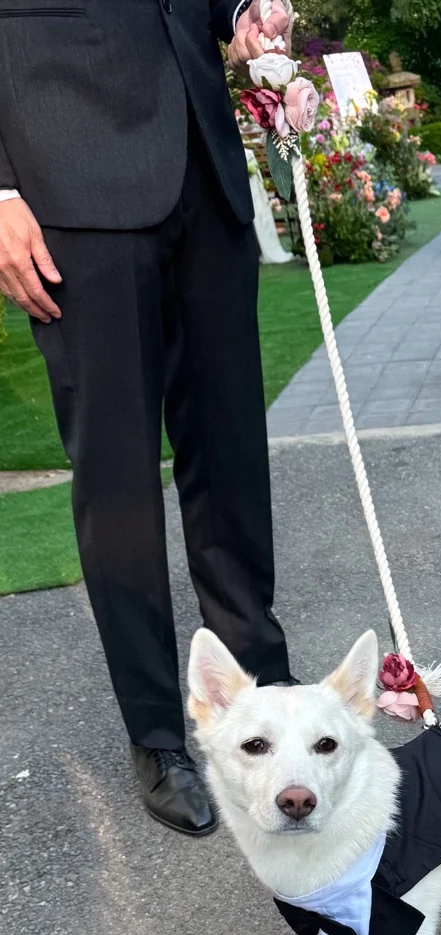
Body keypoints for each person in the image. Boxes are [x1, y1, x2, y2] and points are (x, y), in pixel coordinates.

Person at [0, 0, 296, 836]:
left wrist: (240, 9)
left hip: (202, 156)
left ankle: (260, 686)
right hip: (66, 168)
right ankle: (160, 731)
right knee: (118, 475)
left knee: (231, 450)